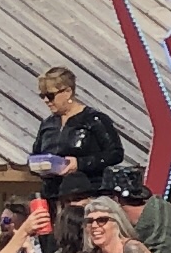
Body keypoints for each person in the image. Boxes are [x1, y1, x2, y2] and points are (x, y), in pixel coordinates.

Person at [25, 66, 126, 217]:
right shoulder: (48, 124)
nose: (46, 100)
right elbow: (35, 154)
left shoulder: (94, 120)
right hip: (54, 198)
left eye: (50, 95)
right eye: (42, 96)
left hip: (87, 196)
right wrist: (39, 167)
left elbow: (115, 153)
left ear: (67, 92)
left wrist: (80, 163)